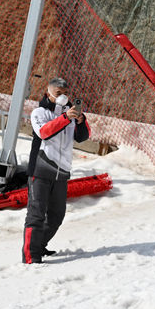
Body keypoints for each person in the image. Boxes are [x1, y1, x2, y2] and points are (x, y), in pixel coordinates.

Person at [22, 77, 90, 264]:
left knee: (56, 215)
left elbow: (83, 137)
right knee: (36, 213)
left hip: (62, 172)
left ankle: (39, 245)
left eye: (65, 93)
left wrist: (81, 121)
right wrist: (65, 118)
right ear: (48, 93)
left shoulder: (70, 114)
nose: (62, 97)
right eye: (58, 93)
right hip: (40, 170)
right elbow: (44, 132)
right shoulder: (39, 112)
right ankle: (31, 257)